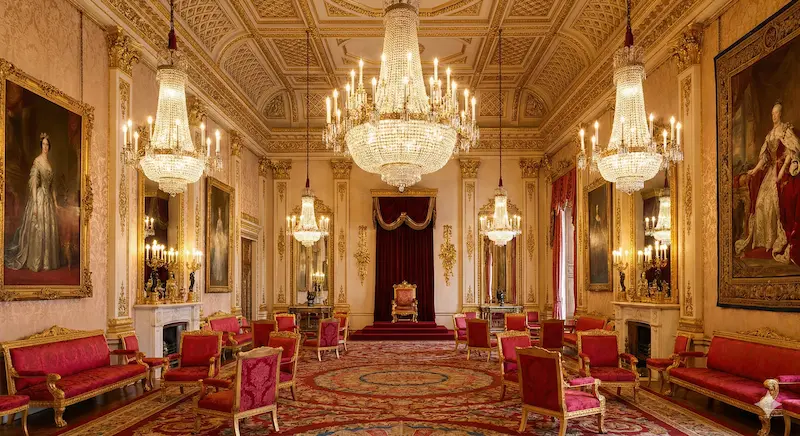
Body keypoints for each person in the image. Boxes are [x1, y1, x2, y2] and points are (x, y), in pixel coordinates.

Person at [735, 102, 800, 265]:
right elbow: (764, 158)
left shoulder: (785, 131)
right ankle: (763, 242)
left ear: (781, 114)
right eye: (772, 114)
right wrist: (755, 171)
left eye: (776, 113)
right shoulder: (770, 135)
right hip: (770, 172)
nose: (774, 116)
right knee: (760, 204)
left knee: (771, 204)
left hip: (781, 172)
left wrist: (782, 169)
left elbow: (792, 151)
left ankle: (773, 242)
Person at [5, 133, 62, 272]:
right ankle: (36, 262)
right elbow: (34, 184)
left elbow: (52, 186)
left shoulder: (50, 164)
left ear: (50, 147)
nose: (45, 147)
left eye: (47, 144)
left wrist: (55, 203)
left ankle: (47, 261)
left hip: (48, 200)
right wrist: (36, 204)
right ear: (40, 146)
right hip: (40, 198)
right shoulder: (37, 161)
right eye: (43, 144)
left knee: (48, 228)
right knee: (39, 228)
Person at [212, 207, 227, 283]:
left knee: (221, 263)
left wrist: (222, 246)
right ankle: (217, 276)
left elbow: (224, 243)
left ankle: (220, 277)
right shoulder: (216, 234)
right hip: (218, 250)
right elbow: (215, 242)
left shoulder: (222, 235)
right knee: (217, 262)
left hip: (220, 250)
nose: (219, 226)